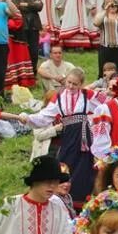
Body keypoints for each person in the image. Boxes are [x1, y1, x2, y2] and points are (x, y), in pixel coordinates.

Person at [19, 68, 98, 208]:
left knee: (85, 167)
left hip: (84, 138)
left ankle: (83, 202)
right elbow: (44, 116)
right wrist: (28, 118)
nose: (71, 86)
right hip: (68, 136)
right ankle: (62, 201)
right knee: (66, 165)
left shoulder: (89, 95)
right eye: (69, 82)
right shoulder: (59, 97)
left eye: (75, 84)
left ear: (81, 84)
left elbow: (105, 107)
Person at [92, 0, 118, 78]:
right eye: (111, 5)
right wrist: (106, 9)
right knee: (103, 71)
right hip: (105, 48)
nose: (113, 7)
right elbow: (96, 23)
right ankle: (102, 88)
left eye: (115, 5)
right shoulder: (103, 17)